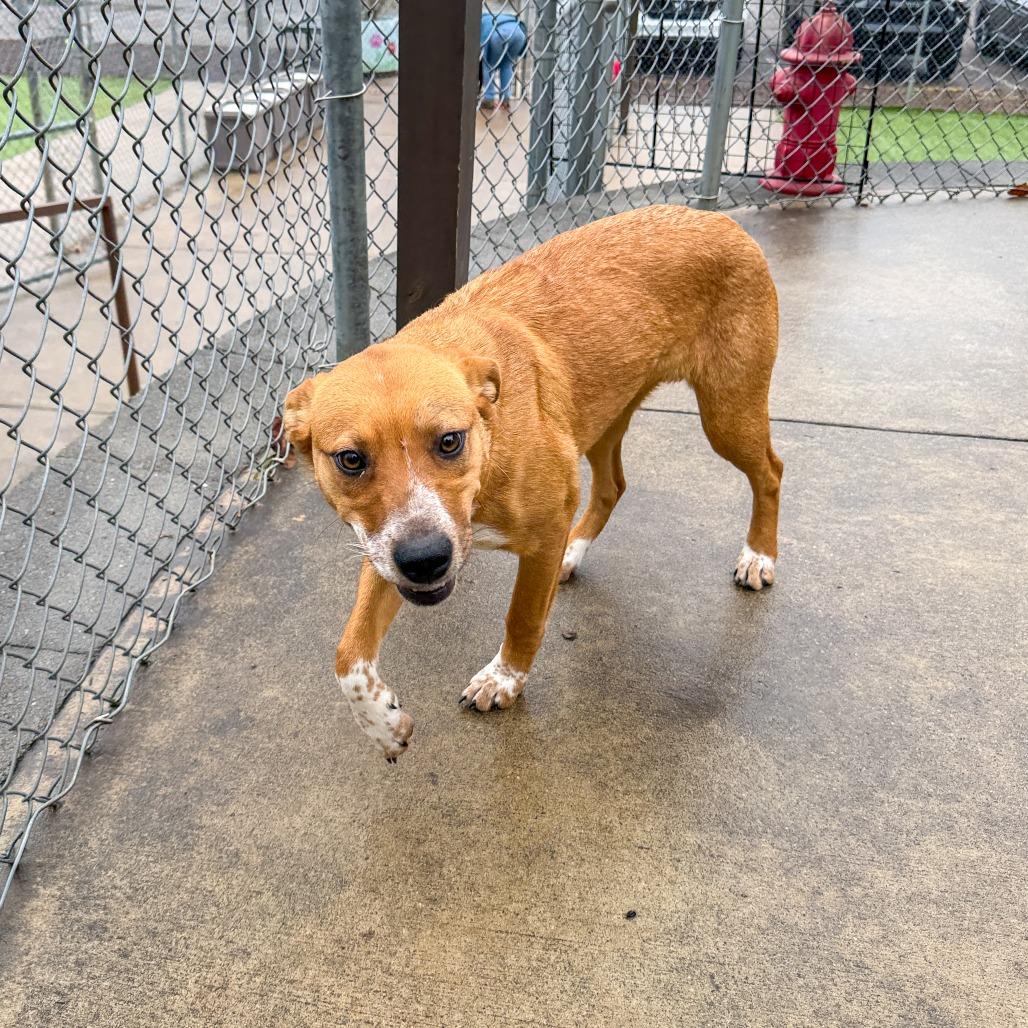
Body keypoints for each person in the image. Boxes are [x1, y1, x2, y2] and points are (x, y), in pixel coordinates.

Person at [480, 6, 528, 111]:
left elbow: (482, 44)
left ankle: (489, 99)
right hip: (519, 33)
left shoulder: (480, 21)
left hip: (499, 33)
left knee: (488, 65)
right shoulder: (497, 16)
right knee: (507, 65)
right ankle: (505, 99)